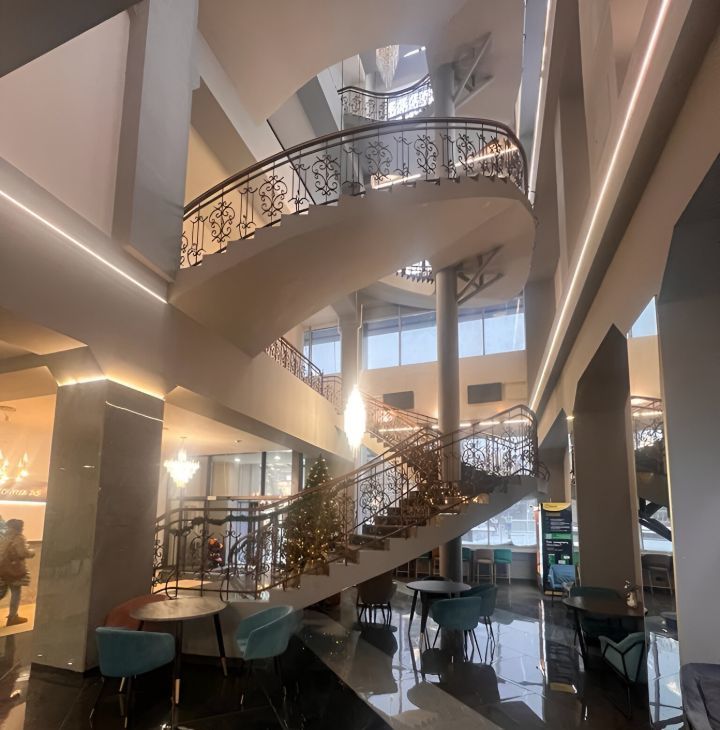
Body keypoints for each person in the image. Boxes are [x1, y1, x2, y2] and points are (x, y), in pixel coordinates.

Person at [0, 519, 34, 626]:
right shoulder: (19, 538)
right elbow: (22, 553)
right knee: (16, 593)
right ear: (19, 528)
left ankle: (13, 616)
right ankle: (12, 617)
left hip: (2, 570)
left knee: (2, 593)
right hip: (14, 571)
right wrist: (32, 552)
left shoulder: (3, 537)